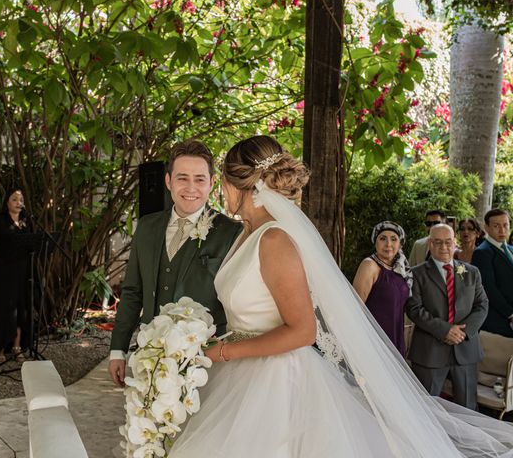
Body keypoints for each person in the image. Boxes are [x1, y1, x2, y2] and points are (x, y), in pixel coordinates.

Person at [168, 135, 513, 457]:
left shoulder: (274, 239)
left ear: (236, 184)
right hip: (241, 373)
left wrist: (224, 352)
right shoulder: (246, 233)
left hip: (275, 382)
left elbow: (303, 330)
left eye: (222, 183)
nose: (220, 193)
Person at [108, 140, 242, 387]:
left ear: (212, 184)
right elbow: (132, 293)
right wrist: (118, 350)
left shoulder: (232, 232)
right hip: (150, 358)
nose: (191, 187)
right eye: (182, 178)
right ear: (168, 181)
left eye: (200, 179)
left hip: (204, 362)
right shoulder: (147, 227)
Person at [405, 224, 488, 410]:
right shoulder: (415, 274)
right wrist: (445, 330)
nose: (444, 247)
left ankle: (465, 441)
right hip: (429, 351)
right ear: (429, 244)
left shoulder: (471, 272)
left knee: (467, 409)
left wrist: (463, 333)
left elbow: (482, 305)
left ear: (455, 243)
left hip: (465, 350)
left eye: (448, 242)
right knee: (426, 409)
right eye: (438, 242)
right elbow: (414, 309)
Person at [0, 188, 32, 363]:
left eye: (21, 200)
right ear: (7, 202)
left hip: (22, 270)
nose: (19, 203)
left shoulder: (26, 221)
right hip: (2, 271)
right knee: (2, 309)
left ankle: (17, 348)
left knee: (20, 307)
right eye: (14, 199)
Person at [352, 221, 411, 356]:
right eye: (383, 238)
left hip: (395, 336)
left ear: (400, 244)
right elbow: (356, 307)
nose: (388, 244)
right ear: (375, 242)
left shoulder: (401, 270)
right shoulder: (370, 266)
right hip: (374, 338)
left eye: (394, 239)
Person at [472, 209, 513, 338]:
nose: (502, 230)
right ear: (486, 228)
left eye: (505, 225)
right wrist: (510, 314)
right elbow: (489, 289)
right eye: (496, 226)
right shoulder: (482, 252)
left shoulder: (511, 249)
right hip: (499, 321)